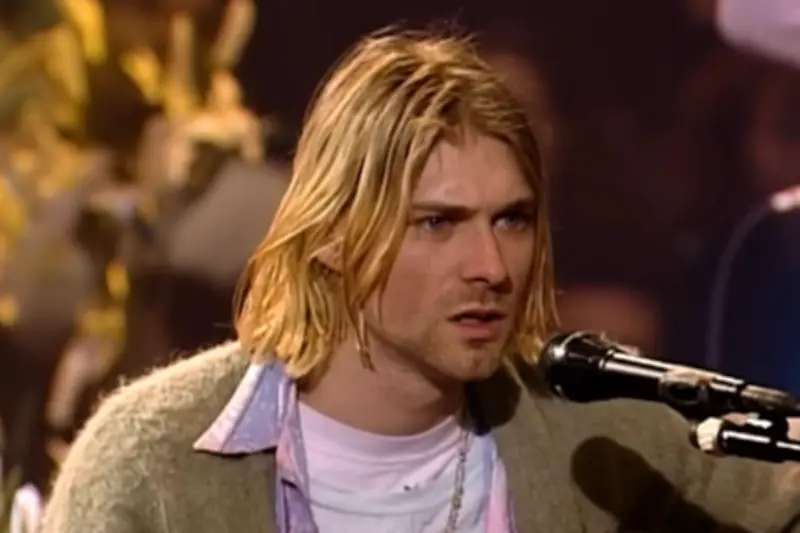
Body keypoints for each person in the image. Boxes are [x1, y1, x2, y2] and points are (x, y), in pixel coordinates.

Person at [43, 29, 800, 533]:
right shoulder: (152, 462)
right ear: (334, 236)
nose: (492, 266)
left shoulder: (593, 437)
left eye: (512, 220)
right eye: (438, 222)